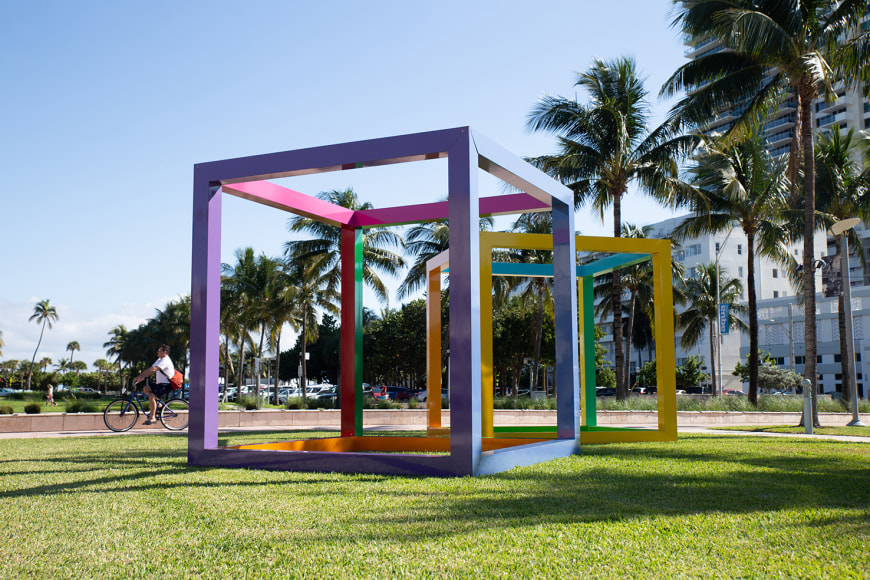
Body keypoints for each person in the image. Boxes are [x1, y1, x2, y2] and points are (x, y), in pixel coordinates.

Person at [132, 344, 175, 425]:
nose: (157, 352)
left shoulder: (165, 360)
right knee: (146, 388)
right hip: (159, 384)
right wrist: (139, 377)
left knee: (151, 396)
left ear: (165, 352)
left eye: (159, 350)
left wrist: (142, 377)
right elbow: (150, 369)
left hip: (166, 384)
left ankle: (152, 418)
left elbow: (154, 370)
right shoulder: (159, 360)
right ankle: (159, 406)